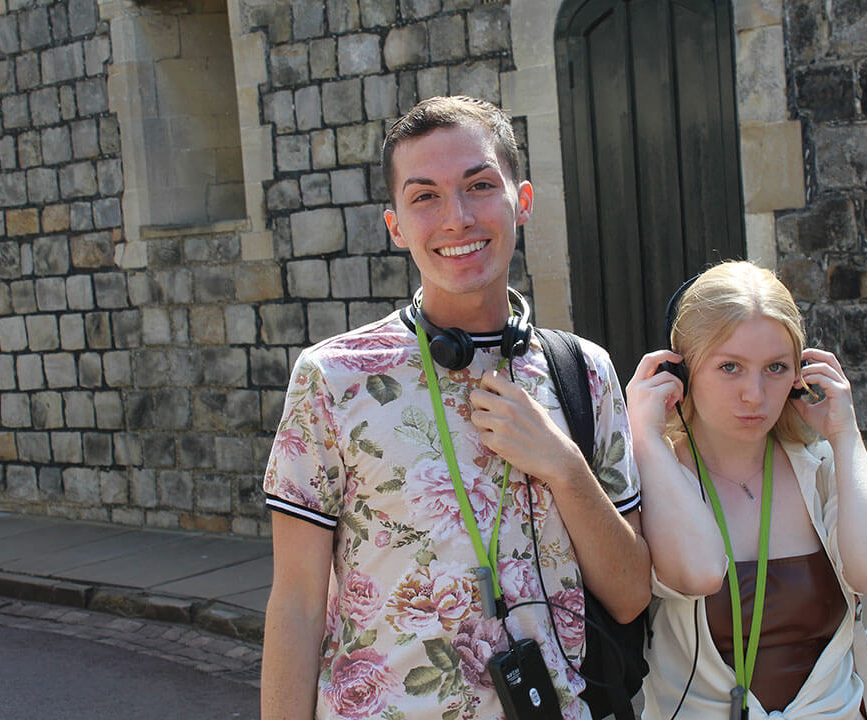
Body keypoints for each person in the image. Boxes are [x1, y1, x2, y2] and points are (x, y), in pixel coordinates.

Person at [261, 95, 651, 720]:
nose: (457, 218)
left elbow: (631, 595)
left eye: (478, 185)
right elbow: (298, 604)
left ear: (521, 201)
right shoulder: (331, 379)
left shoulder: (585, 373)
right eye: (425, 197)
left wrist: (564, 466)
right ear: (395, 226)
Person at [626, 261, 867, 719]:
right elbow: (698, 572)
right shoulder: (652, 478)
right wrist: (644, 435)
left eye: (776, 368)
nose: (755, 395)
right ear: (681, 373)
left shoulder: (818, 470)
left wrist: (845, 436)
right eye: (730, 367)